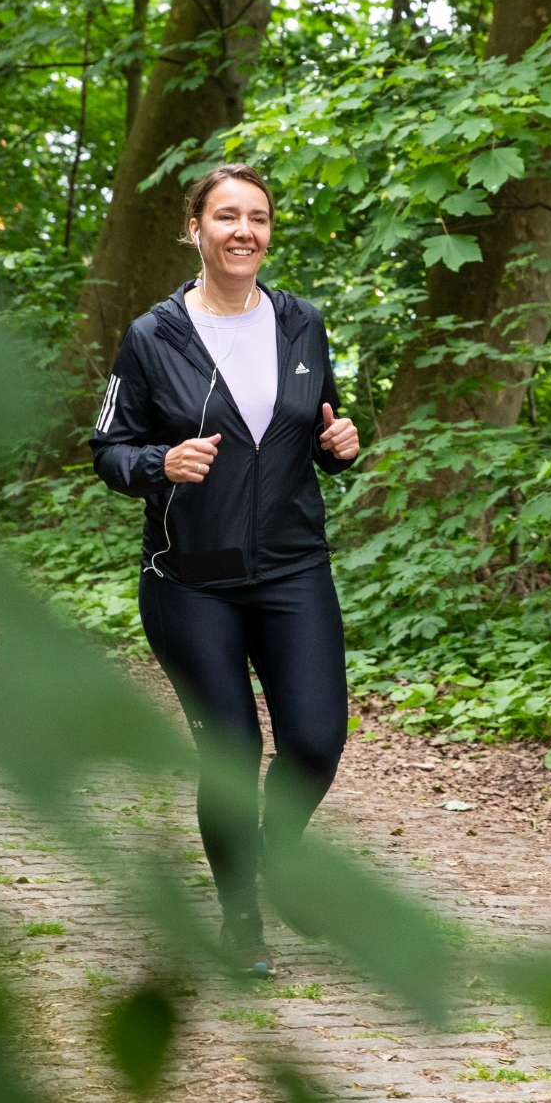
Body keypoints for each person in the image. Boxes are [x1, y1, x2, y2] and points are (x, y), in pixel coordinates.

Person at [90, 162, 363, 976]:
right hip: (190, 579)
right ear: (195, 229)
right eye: (227, 216)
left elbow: (320, 425)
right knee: (233, 754)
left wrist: (342, 446)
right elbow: (108, 447)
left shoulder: (301, 322)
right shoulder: (154, 335)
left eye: (260, 217)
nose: (245, 230)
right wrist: (157, 464)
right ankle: (240, 919)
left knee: (316, 741)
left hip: (291, 567)